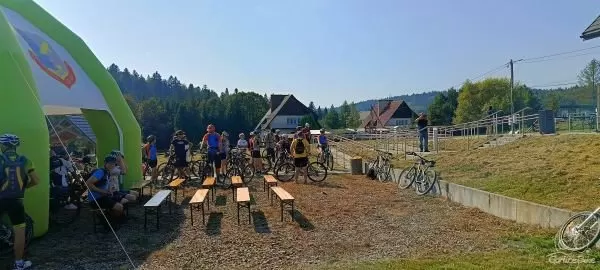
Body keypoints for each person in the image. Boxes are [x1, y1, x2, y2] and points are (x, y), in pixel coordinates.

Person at [0, 134, 38, 270]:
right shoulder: (25, 160)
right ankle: (19, 263)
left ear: (4, 146)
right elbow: (36, 180)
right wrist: (23, 187)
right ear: (15, 146)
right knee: (19, 232)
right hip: (16, 201)